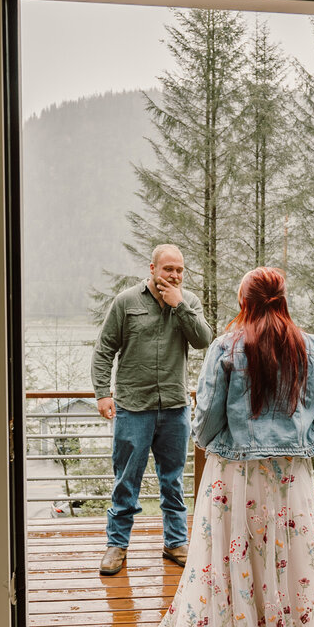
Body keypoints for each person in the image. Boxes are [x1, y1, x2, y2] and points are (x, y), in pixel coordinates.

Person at [152, 266, 314, 627]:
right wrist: (304, 436)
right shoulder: (309, 345)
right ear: (281, 299)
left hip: (236, 477)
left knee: (233, 562)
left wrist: (226, 442)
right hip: (289, 479)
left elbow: (205, 422)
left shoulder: (226, 346)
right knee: (289, 561)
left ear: (246, 301)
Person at [91, 243, 213, 576]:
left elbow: (204, 340)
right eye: (168, 269)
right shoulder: (125, 303)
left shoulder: (188, 302)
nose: (174, 276)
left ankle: (175, 542)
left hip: (174, 408)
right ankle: (116, 546)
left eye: (179, 270)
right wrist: (103, 393)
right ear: (152, 269)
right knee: (126, 480)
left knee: (172, 481)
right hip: (133, 408)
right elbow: (104, 352)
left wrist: (181, 306)